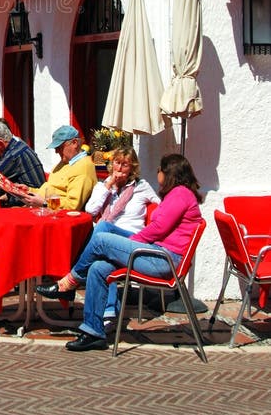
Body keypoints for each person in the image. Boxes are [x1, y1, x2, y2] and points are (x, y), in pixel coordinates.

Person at [37, 153, 203, 351]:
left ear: (169, 173)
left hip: (163, 260)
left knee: (100, 239)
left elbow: (158, 228)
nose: (157, 173)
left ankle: (69, 282)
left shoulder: (180, 194)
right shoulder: (176, 194)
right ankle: (93, 332)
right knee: (98, 267)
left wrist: (129, 243)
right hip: (155, 254)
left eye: (160, 170)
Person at [37, 141, 159, 320]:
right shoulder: (104, 186)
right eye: (117, 163)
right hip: (107, 240)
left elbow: (160, 207)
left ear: (132, 167)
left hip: (129, 238)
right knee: (101, 260)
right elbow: (91, 210)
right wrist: (108, 186)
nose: (119, 168)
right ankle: (109, 312)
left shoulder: (141, 187)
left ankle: (70, 280)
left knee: (101, 229)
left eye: (124, 164)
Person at [16, 125, 97, 211]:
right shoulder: (65, 162)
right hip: (46, 211)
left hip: (61, 219)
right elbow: (50, 190)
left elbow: (72, 206)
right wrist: (29, 190)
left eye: (59, 147)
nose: (56, 151)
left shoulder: (83, 167)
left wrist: (44, 203)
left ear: (74, 143)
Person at [0, 119, 46, 206]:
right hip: (25, 198)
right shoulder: (18, 146)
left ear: (0, 143)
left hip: (32, 204)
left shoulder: (13, 156)